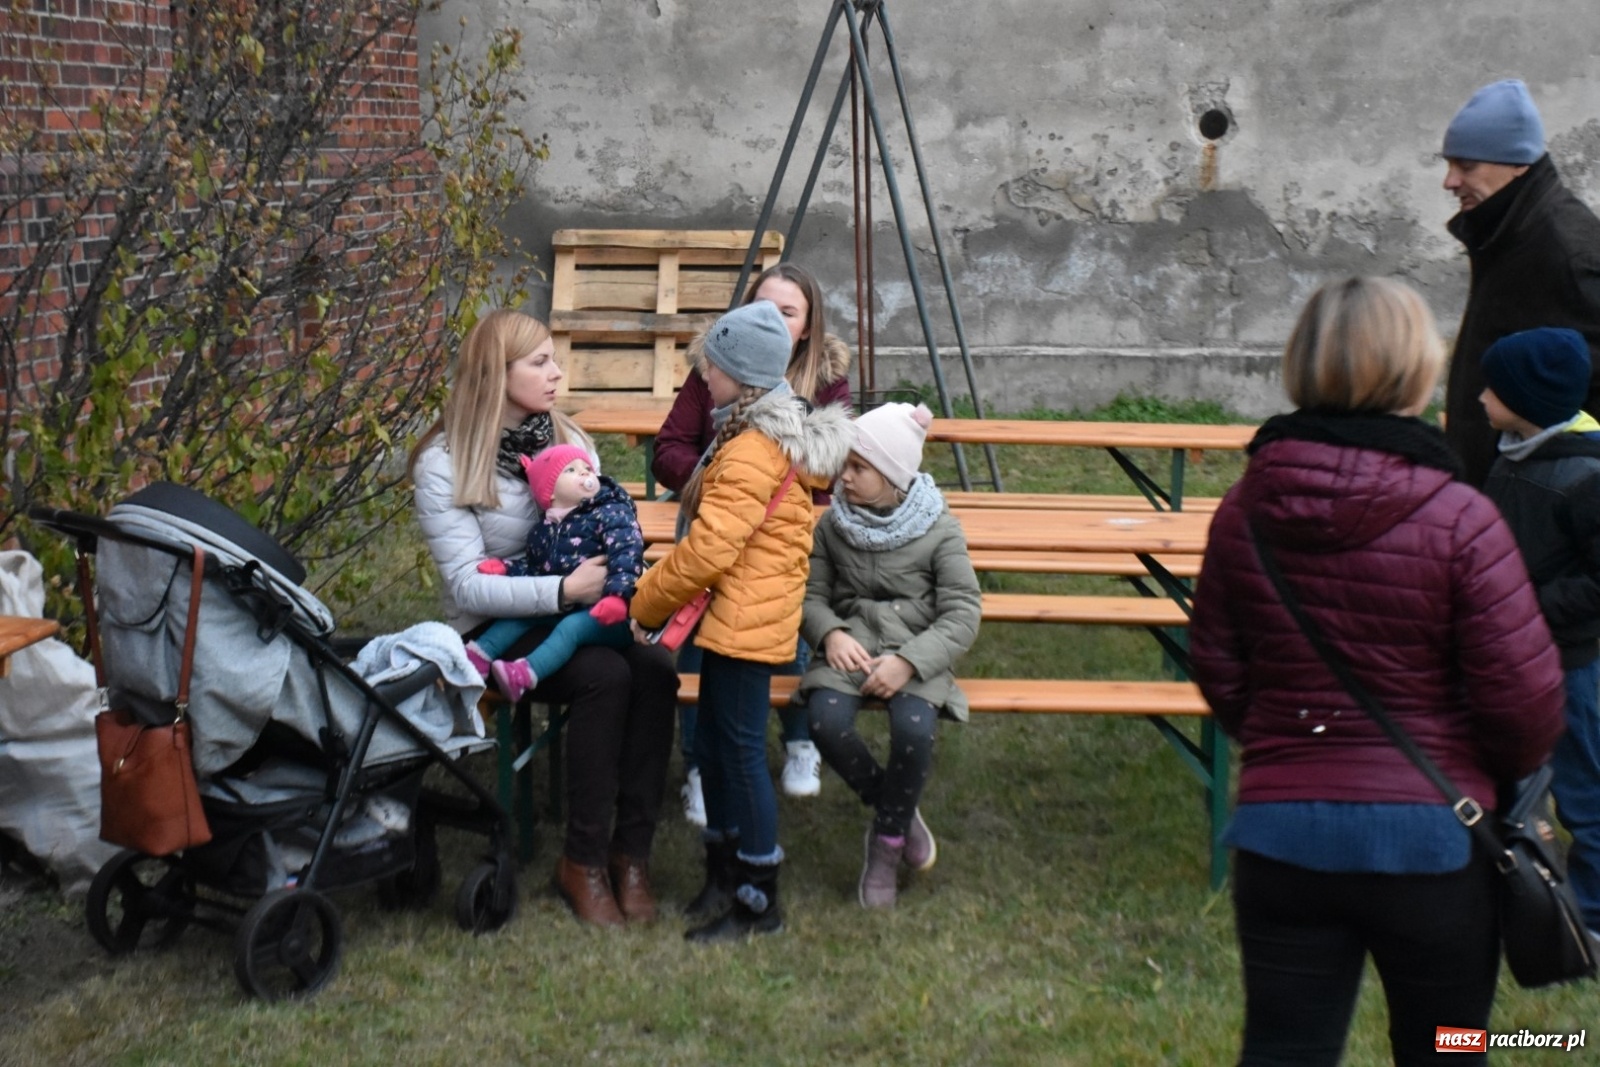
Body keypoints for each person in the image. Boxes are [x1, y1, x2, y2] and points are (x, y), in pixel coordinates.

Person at [1189, 277, 1566, 1065]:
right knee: (1448, 1047)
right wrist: (1478, 777)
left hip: (1282, 830)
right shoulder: (1461, 515)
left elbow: (1219, 665)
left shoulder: (1243, 508)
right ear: (1418, 370)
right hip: (1432, 835)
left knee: (1284, 1048)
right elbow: (1525, 701)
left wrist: (1290, 744)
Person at [409, 309, 676, 929]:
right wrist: (561, 590)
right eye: (540, 362)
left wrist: (621, 586)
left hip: (580, 604)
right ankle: (581, 861)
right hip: (493, 627)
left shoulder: (569, 441)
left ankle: (630, 853)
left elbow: (607, 523)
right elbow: (466, 583)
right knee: (605, 676)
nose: (557, 373)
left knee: (656, 670)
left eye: (554, 360)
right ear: (494, 374)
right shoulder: (444, 462)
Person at [629, 300, 852, 942]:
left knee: (743, 754)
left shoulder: (752, 449)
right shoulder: (746, 432)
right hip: (739, 614)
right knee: (722, 749)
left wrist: (646, 603)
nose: (704, 377)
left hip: (747, 623)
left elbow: (708, 550)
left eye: (712, 368)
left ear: (741, 377)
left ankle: (758, 898)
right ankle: (723, 875)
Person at [654, 262, 854, 820]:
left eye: (787, 312)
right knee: (698, 631)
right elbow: (668, 448)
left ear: (809, 326)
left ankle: (799, 739)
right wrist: (714, 480)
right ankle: (697, 766)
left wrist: (769, 493)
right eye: (763, 307)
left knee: (786, 629)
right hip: (720, 522)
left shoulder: (823, 377)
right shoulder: (714, 365)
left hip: (786, 537)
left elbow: (831, 464)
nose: (773, 319)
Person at [797, 402, 980, 908]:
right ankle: (896, 811)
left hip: (917, 653)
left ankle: (886, 844)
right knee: (825, 722)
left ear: (894, 475)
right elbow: (810, 596)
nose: (844, 477)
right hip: (851, 648)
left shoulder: (940, 529)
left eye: (859, 468)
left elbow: (963, 610)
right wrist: (829, 633)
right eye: (845, 465)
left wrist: (911, 662)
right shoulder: (833, 527)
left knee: (914, 731)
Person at [1478, 326, 1600, 940]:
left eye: (1493, 388)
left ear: (1527, 398)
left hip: (1572, 664)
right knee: (1513, 780)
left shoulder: (1587, 475)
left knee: (1584, 787)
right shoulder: (1512, 455)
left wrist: (1527, 606)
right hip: (1513, 655)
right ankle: (1521, 890)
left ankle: (1592, 915)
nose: (1479, 397)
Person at [1437, 77, 1600, 486]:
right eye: (1449, 164)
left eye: (1466, 165)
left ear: (1518, 164)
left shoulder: (1564, 253)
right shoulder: (1507, 232)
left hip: (1540, 505)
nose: (1450, 181)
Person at [465, 445, 645, 703]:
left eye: (586, 468)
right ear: (548, 493)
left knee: (572, 627)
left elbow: (628, 552)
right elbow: (539, 572)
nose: (584, 474)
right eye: (571, 470)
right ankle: (476, 658)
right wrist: (507, 568)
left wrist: (617, 596)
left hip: (617, 615)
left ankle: (524, 675)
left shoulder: (610, 512)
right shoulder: (544, 531)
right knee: (522, 615)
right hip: (572, 604)